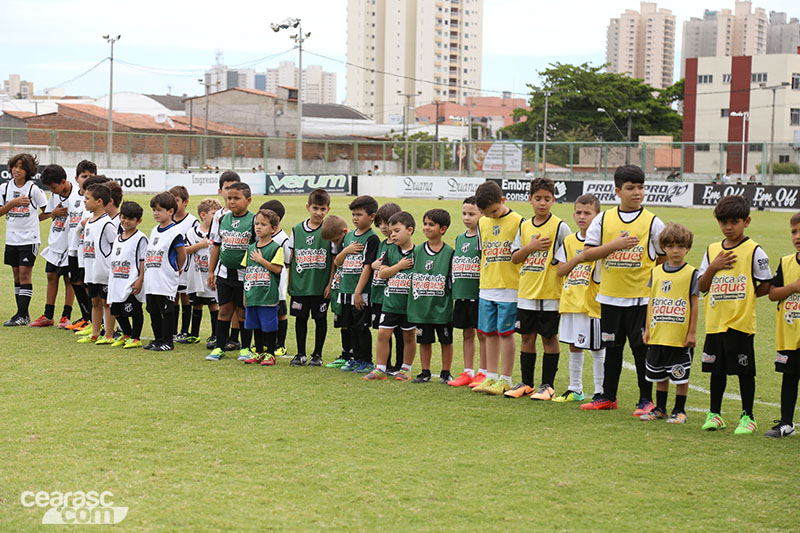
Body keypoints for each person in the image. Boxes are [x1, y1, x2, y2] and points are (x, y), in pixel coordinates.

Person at [565, 165, 666, 415]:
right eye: (631, 188)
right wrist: (615, 245)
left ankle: (646, 400)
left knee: (642, 351)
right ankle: (608, 396)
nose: (637, 192)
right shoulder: (604, 219)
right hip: (609, 298)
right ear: (617, 191)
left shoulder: (653, 222)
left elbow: (663, 259)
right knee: (612, 349)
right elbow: (588, 254)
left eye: (641, 187)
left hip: (640, 300)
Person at [698, 195, 771, 434]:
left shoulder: (754, 250)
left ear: (746, 221)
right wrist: (713, 266)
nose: (728, 227)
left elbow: (766, 285)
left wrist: (746, 297)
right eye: (723, 222)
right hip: (715, 323)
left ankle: (748, 417)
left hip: (740, 323)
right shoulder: (712, 251)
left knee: (744, 371)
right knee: (716, 372)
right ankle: (715, 414)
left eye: (734, 222)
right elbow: (702, 286)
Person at [507, 177, 571, 399]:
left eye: (547, 199)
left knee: (549, 338)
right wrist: (531, 247)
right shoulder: (524, 227)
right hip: (526, 294)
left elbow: (570, 253)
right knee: (526, 337)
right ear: (530, 200)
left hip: (550, 294)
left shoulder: (560, 227)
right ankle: (526, 383)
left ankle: (548, 385)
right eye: (538, 199)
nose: (542, 203)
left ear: (553, 200)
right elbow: (515, 258)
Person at [640, 223, 698, 423]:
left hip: (679, 335)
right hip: (658, 333)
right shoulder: (656, 272)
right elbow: (652, 301)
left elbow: (694, 304)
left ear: (688, 248)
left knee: (680, 374)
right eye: (671, 246)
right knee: (659, 374)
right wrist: (647, 329)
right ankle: (660, 409)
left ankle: (679, 410)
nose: (676, 250)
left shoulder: (692, 273)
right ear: (663, 247)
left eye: (680, 246)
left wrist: (691, 333)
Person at [471, 181, 524, 395]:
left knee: (505, 333)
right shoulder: (482, 223)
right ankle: (490, 377)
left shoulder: (519, 221)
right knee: (488, 333)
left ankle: (506, 378)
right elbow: (482, 252)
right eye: (486, 213)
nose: (491, 216)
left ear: (503, 200)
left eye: (494, 211)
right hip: (487, 286)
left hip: (509, 287)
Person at [364, 211, 417, 382]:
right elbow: (383, 273)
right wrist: (399, 266)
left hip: (408, 305)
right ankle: (380, 368)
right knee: (382, 334)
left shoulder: (419, 253)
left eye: (397, 230)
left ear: (410, 230)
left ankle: (406, 369)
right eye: (391, 231)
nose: (392, 234)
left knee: (408, 336)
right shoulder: (390, 251)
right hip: (390, 303)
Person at [206, 182, 255, 361]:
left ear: (248, 200)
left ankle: (246, 348)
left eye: (236, 198)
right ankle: (219, 347)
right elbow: (217, 247)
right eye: (229, 198)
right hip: (224, 274)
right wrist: (211, 271)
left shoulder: (254, 220)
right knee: (224, 310)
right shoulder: (222, 219)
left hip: (245, 275)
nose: (231, 201)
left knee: (242, 312)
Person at [407, 209, 455, 383]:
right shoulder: (417, 250)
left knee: (446, 341)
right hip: (422, 308)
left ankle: (445, 372)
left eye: (431, 224)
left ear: (442, 229)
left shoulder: (450, 253)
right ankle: (425, 371)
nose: (426, 227)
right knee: (424, 341)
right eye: (425, 223)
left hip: (441, 308)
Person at [287, 188, 333, 367]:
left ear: (328, 209)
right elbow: (290, 258)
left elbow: (334, 259)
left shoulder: (329, 230)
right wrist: (290, 283)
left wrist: (330, 283)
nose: (319, 213)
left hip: (320, 286)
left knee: (320, 319)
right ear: (308, 207)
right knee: (300, 318)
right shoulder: (297, 229)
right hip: (300, 285)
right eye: (315, 208)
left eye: (322, 209)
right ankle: (300, 354)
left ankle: (317, 354)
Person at [333, 196, 380, 374]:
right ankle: (354, 358)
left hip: (360, 293)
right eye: (353, 214)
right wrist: (346, 250)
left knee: (361, 328)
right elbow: (337, 262)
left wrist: (359, 292)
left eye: (359, 214)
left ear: (372, 217)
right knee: (350, 326)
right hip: (344, 290)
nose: (355, 218)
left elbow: (368, 267)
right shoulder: (349, 236)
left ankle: (366, 360)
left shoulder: (371, 239)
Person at [0, 153, 47, 326]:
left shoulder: (33, 189)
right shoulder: (4, 188)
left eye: (21, 167)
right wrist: (13, 203)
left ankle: (20, 316)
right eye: (14, 166)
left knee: (25, 275)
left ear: (28, 171)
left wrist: (34, 221)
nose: (16, 170)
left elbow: (47, 211)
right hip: (12, 239)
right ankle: (23, 314)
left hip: (29, 239)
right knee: (16, 276)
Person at [766, 213, 800, 438]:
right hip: (789, 334)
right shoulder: (786, 262)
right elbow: (772, 293)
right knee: (789, 378)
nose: (797, 236)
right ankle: (786, 422)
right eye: (794, 232)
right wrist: (794, 286)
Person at [448, 196, 488, 387]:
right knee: (466, 333)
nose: (467, 217)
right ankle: (468, 371)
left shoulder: (485, 237)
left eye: (472, 214)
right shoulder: (460, 238)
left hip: (479, 294)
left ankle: (484, 372)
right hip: (462, 294)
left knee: (482, 333)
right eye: (464, 213)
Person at [240, 209, 284, 366]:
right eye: (256, 224)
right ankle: (258, 352)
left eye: (263, 224)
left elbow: (277, 269)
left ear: (273, 228)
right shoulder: (251, 248)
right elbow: (247, 272)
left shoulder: (276, 248)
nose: (258, 227)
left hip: (268, 295)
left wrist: (261, 260)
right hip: (253, 294)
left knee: (268, 326)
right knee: (254, 325)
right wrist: (245, 294)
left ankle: (270, 353)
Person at [143, 192, 187, 351]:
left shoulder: (175, 232)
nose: (156, 213)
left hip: (165, 278)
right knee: (153, 310)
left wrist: (177, 267)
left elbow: (182, 254)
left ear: (170, 211)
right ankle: (157, 339)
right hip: (151, 278)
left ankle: (168, 341)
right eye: (154, 210)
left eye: (159, 210)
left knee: (167, 310)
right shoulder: (155, 230)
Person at [36, 164, 78, 328]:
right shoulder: (55, 195)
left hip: (70, 244)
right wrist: (53, 213)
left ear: (63, 181)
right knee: (51, 276)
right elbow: (45, 215)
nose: (52, 191)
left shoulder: (76, 196)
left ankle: (65, 316)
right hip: (55, 243)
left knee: (69, 280)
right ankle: (48, 315)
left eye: (53, 187)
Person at [207, 171, 244, 352]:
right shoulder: (219, 217)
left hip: (243, 272)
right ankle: (220, 340)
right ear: (221, 191)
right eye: (228, 189)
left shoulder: (250, 219)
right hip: (223, 270)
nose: (231, 193)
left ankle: (235, 338)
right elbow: (215, 244)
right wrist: (211, 271)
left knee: (240, 308)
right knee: (225, 306)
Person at [78, 183, 117, 345]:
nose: (84, 201)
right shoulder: (89, 222)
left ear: (99, 201)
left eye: (87, 198)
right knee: (94, 301)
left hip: (104, 271)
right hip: (91, 270)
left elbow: (116, 245)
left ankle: (108, 334)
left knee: (106, 302)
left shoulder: (107, 223)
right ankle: (95, 332)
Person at [107, 201, 148, 349]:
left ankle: (136, 337)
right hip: (117, 279)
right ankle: (127, 333)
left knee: (134, 310)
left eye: (131, 219)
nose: (126, 221)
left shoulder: (140, 238)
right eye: (124, 217)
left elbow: (144, 260)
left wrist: (140, 280)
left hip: (131, 281)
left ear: (139, 221)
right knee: (116, 310)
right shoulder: (118, 238)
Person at [370, 202, 404, 373]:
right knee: (384, 333)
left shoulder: (400, 246)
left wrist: (378, 267)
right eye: (380, 223)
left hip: (394, 296)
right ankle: (386, 364)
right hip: (378, 294)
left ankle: (400, 365)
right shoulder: (382, 244)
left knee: (400, 333)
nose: (383, 227)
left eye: (387, 223)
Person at [64, 160, 97, 332]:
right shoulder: (73, 197)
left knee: (87, 284)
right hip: (73, 247)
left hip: (87, 250)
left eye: (91, 176)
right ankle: (86, 318)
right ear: (77, 178)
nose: (87, 180)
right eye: (84, 176)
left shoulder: (97, 199)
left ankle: (93, 319)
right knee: (74, 280)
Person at [184, 198, 221, 345]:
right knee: (196, 304)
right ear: (203, 215)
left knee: (214, 304)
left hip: (211, 275)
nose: (217, 217)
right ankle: (194, 334)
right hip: (196, 275)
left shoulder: (218, 232)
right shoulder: (192, 232)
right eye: (214, 213)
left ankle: (215, 334)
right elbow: (185, 250)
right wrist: (201, 244)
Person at [260, 199, 291, 360]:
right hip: (261, 282)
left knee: (280, 313)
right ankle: (265, 343)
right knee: (265, 311)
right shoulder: (262, 236)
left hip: (277, 282)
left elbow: (286, 262)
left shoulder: (283, 238)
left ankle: (281, 344)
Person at [169, 185, 199, 344]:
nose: (173, 204)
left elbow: (197, 241)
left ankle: (185, 330)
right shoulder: (169, 221)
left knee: (186, 297)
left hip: (187, 266)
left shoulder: (192, 221)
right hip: (171, 265)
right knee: (173, 297)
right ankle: (173, 330)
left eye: (177, 200)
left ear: (185, 202)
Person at [321, 215, 352, 367]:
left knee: (352, 323)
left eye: (335, 240)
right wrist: (330, 283)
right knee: (342, 322)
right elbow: (336, 263)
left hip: (350, 289)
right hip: (339, 287)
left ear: (344, 232)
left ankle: (354, 355)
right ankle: (345, 353)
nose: (334, 244)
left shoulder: (353, 243)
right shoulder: (339, 245)